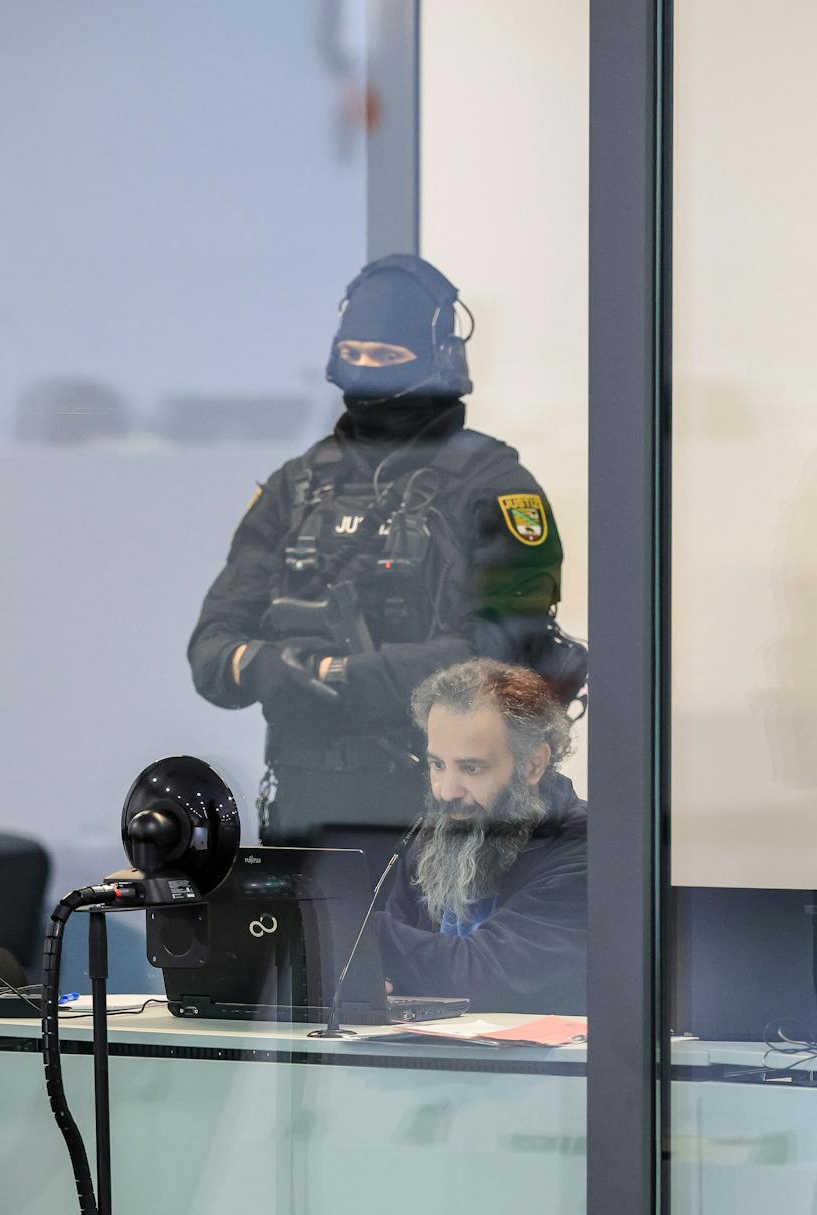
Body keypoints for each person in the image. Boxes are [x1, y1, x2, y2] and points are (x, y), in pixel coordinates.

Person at [188, 255, 581, 861]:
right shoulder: (294, 487)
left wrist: (341, 677)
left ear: (436, 360)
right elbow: (211, 649)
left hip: (447, 813)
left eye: (388, 358)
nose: (367, 373)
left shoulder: (495, 486)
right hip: (306, 812)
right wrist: (270, 665)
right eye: (358, 354)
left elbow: (504, 652)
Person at [373, 658, 586, 1014]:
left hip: (546, 1068)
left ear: (533, 764)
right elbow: (392, 971)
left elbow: (484, 974)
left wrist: (353, 930)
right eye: (437, 765)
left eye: (471, 768)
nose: (446, 790)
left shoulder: (582, 848)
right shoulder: (437, 837)